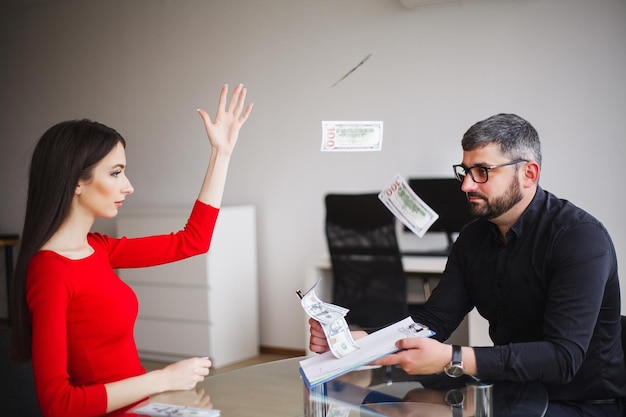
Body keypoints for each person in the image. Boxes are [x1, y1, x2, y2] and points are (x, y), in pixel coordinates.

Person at [309, 113, 626, 416]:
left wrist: (454, 357)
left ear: (529, 173)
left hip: (583, 402)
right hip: (510, 389)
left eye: (483, 172)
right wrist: (355, 340)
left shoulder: (579, 239)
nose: (466, 185)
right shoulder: (473, 238)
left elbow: (562, 358)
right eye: (464, 171)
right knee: (372, 404)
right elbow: (433, 320)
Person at [10, 83, 253, 417]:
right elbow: (59, 405)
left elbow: (193, 240)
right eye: (116, 173)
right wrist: (162, 378)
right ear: (76, 181)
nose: (129, 185)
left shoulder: (99, 248)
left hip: (145, 406)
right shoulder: (50, 271)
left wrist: (221, 154)